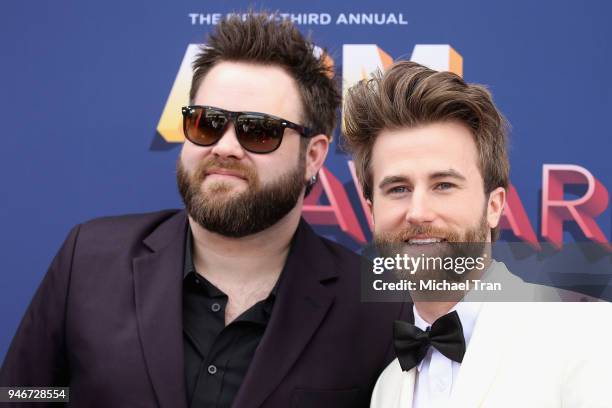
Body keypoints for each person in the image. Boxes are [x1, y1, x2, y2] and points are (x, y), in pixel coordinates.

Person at [0, 14, 406, 408]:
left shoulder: (376, 309)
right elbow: (20, 395)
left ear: (313, 156)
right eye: (206, 123)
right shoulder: (88, 259)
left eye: (257, 129)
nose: (225, 147)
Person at [342, 60, 612, 407]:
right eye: (397, 188)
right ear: (370, 211)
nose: (419, 212)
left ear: (494, 205)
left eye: (444, 184)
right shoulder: (387, 388)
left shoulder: (591, 335)